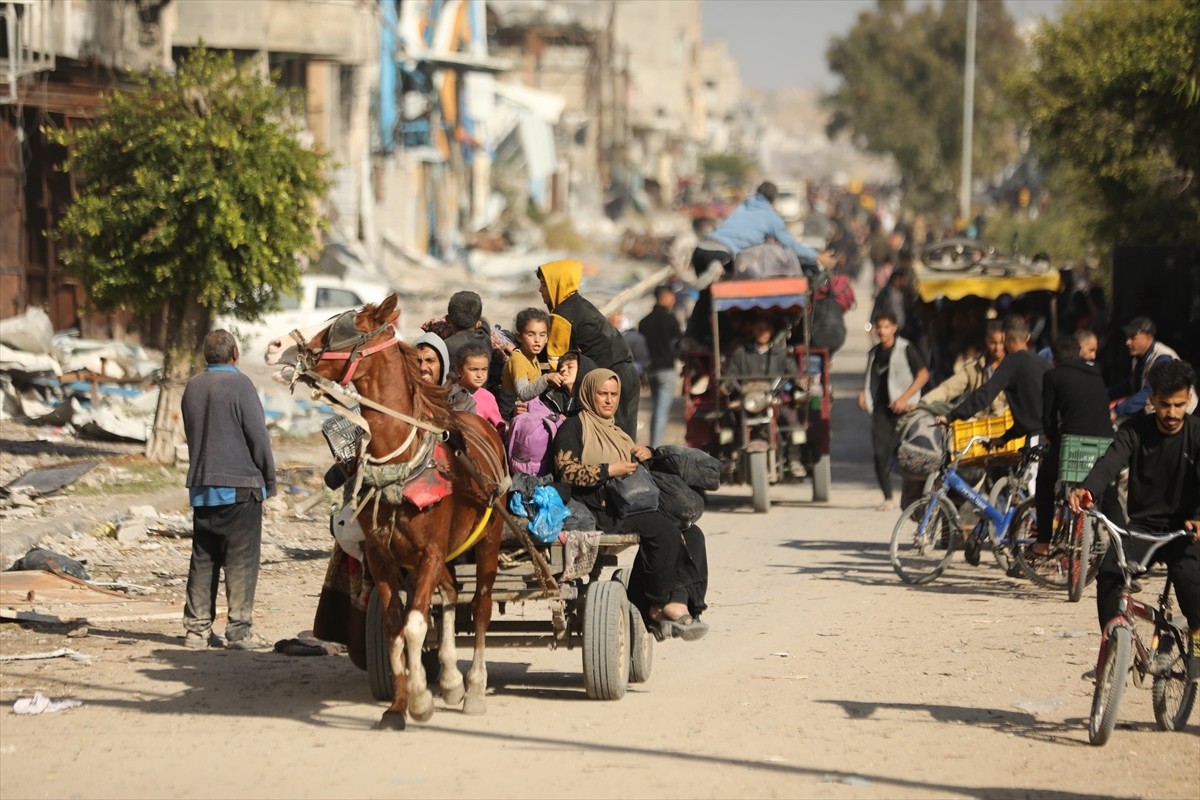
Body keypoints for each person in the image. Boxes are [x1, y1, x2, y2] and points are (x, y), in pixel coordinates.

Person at [552, 368, 709, 641]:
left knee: (692, 533)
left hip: (631, 502)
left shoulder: (616, 429)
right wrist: (608, 470)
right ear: (589, 393)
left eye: (614, 394)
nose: (609, 400)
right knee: (662, 531)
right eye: (602, 394)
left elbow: (633, 469)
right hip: (601, 507)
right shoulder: (574, 426)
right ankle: (657, 604)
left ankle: (679, 601)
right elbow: (566, 471)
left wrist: (644, 453)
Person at [1069, 360, 1200, 681]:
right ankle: (1112, 648)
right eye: (1165, 404)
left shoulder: (1197, 434)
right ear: (1151, 399)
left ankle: (1197, 642)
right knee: (1111, 575)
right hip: (1143, 526)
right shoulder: (1133, 431)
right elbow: (1110, 462)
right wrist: (1087, 488)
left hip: (1187, 529)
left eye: (1179, 405)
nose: (1171, 413)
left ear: (1189, 400)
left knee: (1189, 579)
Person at [181, 330, 276, 650]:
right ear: (234, 353)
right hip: (240, 488)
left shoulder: (193, 387)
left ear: (206, 356)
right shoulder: (242, 386)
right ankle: (238, 631)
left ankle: (196, 631)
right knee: (241, 560)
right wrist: (269, 481)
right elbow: (258, 439)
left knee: (203, 559)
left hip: (203, 487)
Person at [684, 181, 829, 345]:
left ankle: (692, 336)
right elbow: (791, 245)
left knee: (705, 298)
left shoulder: (741, 208)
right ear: (774, 200)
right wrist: (817, 256)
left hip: (701, 249)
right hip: (721, 253)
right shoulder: (769, 216)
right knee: (726, 299)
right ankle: (719, 270)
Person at [537, 259, 640, 438]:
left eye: (544, 285)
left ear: (557, 284)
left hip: (609, 381)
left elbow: (558, 363)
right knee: (625, 439)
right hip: (627, 375)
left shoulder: (562, 315)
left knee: (611, 440)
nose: (540, 290)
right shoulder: (580, 305)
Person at [1033, 334, 1115, 555]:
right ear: (1078, 353)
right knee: (1109, 491)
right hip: (1106, 441)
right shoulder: (1096, 372)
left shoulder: (1052, 376)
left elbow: (1048, 418)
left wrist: (1050, 437)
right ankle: (1123, 550)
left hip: (1073, 440)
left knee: (1045, 480)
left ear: (1054, 359)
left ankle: (1042, 541)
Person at [858, 310, 929, 510]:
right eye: (879, 327)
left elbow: (923, 375)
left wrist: (905, 398)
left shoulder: (906, 349)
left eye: (886, 326)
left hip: (906, 410)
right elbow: (870, 377)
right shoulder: (874, 353)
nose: (882, 331)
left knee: (910, 454)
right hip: (882, 409)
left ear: (894, 328)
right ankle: (888, 497)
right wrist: (862, 393)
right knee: (880, 455)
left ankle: (916, 496)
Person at [945, 315, 1050, 448]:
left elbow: (985, 394)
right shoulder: (1042, 363)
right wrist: (1005, 438)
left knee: (1032, 469)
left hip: (1037, 440)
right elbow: (1033, 412)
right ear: (1028, 337)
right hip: (1054, 436)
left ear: (1004, 337)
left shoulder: (1012, 362)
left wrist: (951, 416)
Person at [724, 316, 806, 477]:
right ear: (753, 331)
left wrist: (800, 381)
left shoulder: (780, 353)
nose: (762, 333)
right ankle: (730, 457)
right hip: (747, 400)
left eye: (766, 329)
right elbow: (730, 373)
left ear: (771, 332)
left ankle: (794, 459)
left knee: (793, 423)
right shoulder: (742, 352)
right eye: (759, 329)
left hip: (772, 399)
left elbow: (793, 371)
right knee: (726, 425)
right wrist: (725, 385)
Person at [1108, 316, 1194, 422]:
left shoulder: (1163, 358)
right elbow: (1130, 384)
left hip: (1180, 418)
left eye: (1133, 337)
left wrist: (1117, 411)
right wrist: (1104, 395)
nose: (1127, 342)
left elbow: (1148, 394)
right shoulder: (1139, 358)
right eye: (1127, 337)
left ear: (1148, 337)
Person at [917, 319, 1007, 415]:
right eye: (993, 343)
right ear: (986, 341)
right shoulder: (973, 367)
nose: (998, 348)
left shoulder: (1015, 365)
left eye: (1001, 343)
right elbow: (948, 389)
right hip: (980, 424)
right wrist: (923, 403)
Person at [639, 285, 681, 449]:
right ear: (664, 298)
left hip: (650, 370)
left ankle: (653, 443)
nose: (674, 299)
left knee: (657, 407)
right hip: (666, 370)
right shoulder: (670, 320)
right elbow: (679, 344)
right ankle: (655, 446)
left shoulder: (644, 322)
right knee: (661, 409)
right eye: (672, 296)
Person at [502, 307, 564, 406]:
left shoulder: (532, 356)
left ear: (547, 338)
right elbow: (523, 393)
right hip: (511, 413)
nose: (537, 340)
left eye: (542, 335)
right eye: (531, 335)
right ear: (519, 337)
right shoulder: (518, 359)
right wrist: (546, 378)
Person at [414, 332, 476, 413]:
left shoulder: (462, 402)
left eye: (430, 361)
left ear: (442, 365)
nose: (422, 367)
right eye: (418, 361)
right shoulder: (403, 396)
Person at [455, 341, 502, 430]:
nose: (480, 375)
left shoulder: (488, 398)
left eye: (484, 369)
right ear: (459, 371)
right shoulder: (449, 394)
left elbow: (499, 428)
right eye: (474, 369)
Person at [442, 290, 493, 371]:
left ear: (447, 319)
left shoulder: (445, 346)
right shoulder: (485, 339)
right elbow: (485, 325)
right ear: (478, 323)